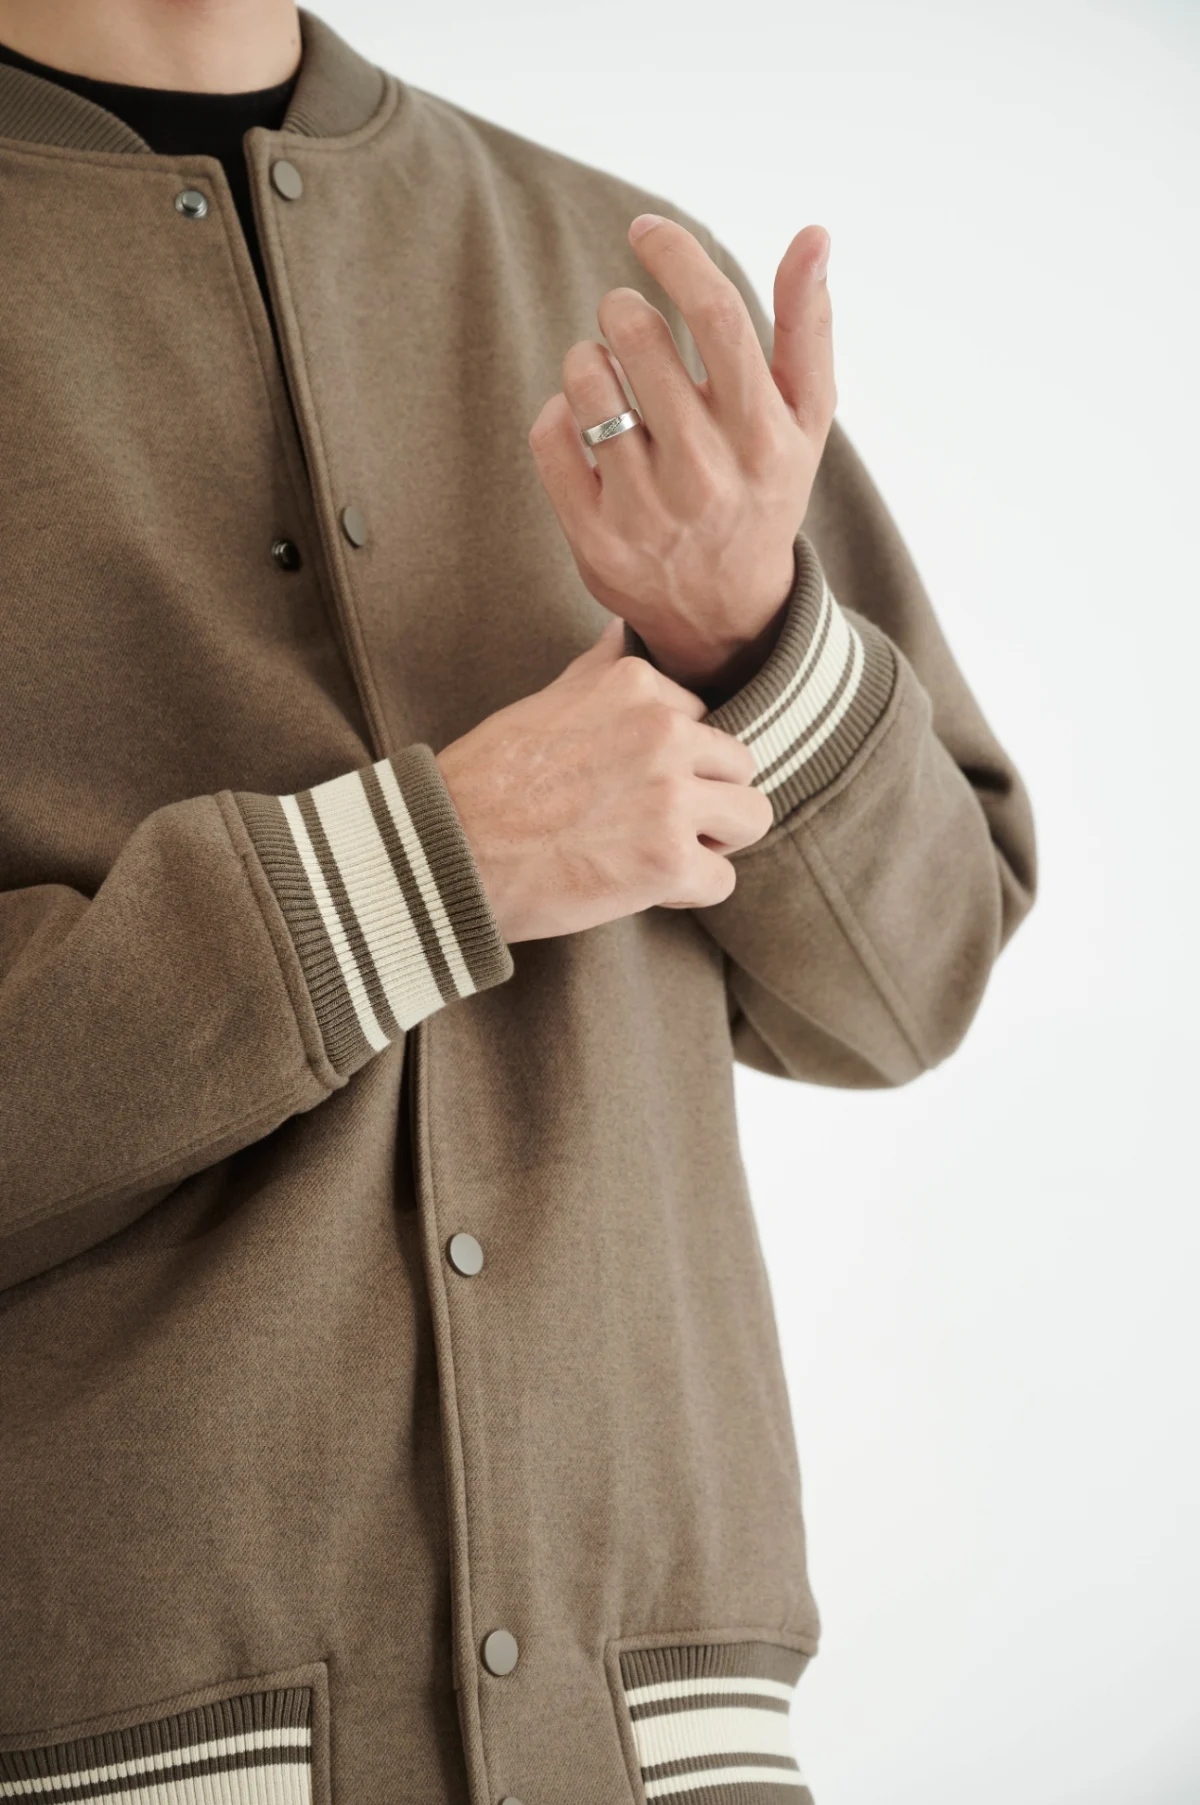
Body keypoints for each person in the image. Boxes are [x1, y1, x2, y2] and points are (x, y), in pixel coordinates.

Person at [0, 4, 1037, 1802]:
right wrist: (426, 866)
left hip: (658, 1747)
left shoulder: (616, 281)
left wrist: (750, 643)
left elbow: (910, 985)